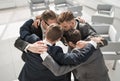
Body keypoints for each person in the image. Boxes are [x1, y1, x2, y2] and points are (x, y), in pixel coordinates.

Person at [18, 23, 98, 81]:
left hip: (26, 77)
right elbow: (78, 58)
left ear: (46, 32)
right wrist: (92, 44)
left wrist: (34, 19)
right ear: (59, 39)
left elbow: (23, 30)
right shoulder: (55, 52)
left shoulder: (32, 39)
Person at [42, 29, 110, 81]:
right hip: (104, 77)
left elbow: (59, 70)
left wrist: (44, 55)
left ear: (71, 43)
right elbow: (103, 41)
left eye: (65, 42)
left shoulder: (79, 54)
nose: (65, 43)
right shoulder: (91, 42)